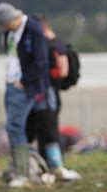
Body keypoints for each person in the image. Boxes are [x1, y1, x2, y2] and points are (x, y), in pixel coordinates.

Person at [0, 2, 58, 187]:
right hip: (12, 83)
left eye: (6, 24)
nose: (6, 29)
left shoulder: (32, 29)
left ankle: (23, 174)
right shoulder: (11, 31)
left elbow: (41, 61)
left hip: (24, 86)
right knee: (13, 127)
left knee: (15, 127)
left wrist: (26, 80)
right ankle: (18, 170)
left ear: (13, 18)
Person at [25, 15, 80, 181]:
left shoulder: (50, 45)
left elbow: (62, 70)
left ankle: (53, 168)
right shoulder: (59, 44)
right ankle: (52, 167)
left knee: (45, 131)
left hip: (44, 93)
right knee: (48, 131)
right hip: (50, 92)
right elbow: (63, 72)